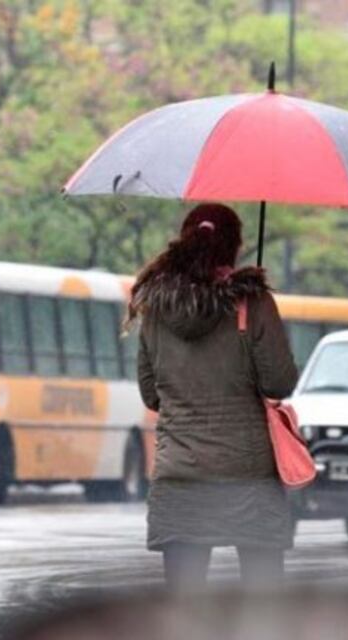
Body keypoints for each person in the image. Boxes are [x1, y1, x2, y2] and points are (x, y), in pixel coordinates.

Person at [129, 203, 299, 591]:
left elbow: (151, 394)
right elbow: (278, 383)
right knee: (263, 600)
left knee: (184, 601)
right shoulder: (251, 303)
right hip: (248, 474)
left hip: (181, 474)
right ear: (234, 246)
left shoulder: (156, 307)